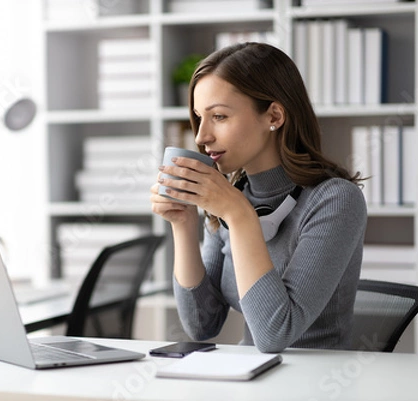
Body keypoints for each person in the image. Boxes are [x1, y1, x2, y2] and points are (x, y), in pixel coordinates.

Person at [150, 42, 367, 353]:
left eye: (220, 117)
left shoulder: (334, 200)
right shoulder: (231, 196)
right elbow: (202, 325)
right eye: (200, 117)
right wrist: (183, 223)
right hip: (252, 377)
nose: (201, 136)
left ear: (274, 116)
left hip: (317, 382)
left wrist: (239, 217)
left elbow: (276, 334)